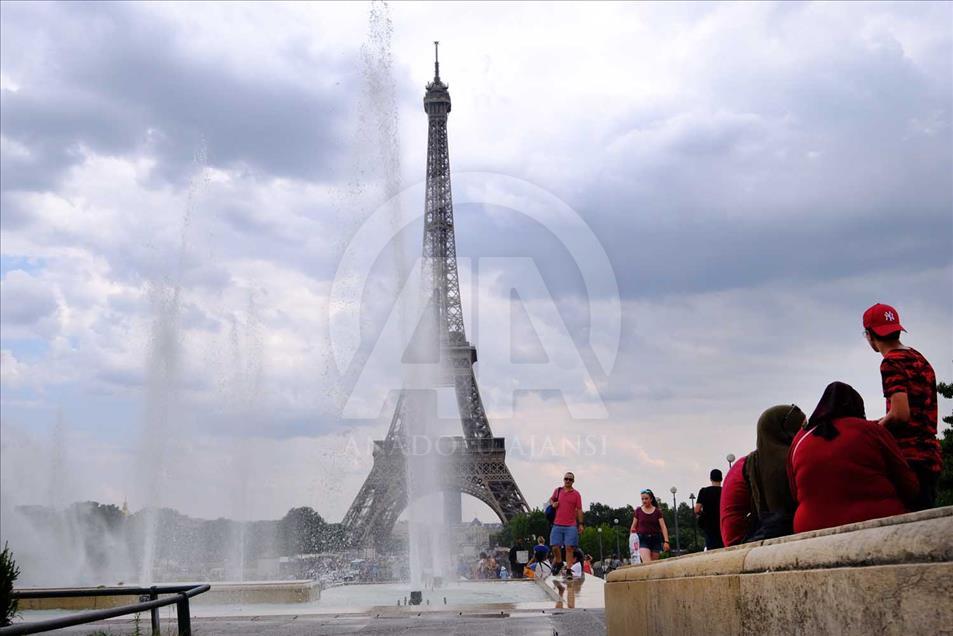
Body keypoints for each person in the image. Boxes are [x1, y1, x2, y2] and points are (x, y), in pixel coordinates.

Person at [788, 382, 920, 533]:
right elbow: (909, 485)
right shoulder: (871, 430)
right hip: (876, 521)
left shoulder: (800, 439)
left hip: (809, 526)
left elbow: (794, 492)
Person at [863, 303, 941, 509]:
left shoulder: (890, 363)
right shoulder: (919, 358)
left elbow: (899, 415)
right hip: (931, 456)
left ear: (870, 335)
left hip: (909, 458)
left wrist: (873, 430)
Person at [742, 404, 805, 540]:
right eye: (802, 427)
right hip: (796, 529)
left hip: (767, 531)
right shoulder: (794, 457)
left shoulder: (753, 462)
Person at [548, 471, 584, 580]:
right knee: (554, 546)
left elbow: (579, 509)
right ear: (564, 479)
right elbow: (551, 499)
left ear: (573, 481)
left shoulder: (576, 494)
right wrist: (553, 504)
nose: (568, 481)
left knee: (569, 548)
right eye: (566, 478)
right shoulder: (558, 491)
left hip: (571, 525)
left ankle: (568, 570)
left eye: (570, 479)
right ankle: (559, 561)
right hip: (557, 523)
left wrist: (581, 524)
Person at [720, 454, 752, 546]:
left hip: (727, 536)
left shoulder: (739, 466)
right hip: (739, 538)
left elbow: (697, 509)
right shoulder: (750, 464)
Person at [630, 489, 669, 562]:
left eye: (646, 498)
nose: (644, 501)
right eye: (642, 499)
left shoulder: (657, 512)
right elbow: (633, 527)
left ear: (651, 499)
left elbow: (663, 527)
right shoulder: (638, 511)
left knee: (653, 565)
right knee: (648, 563)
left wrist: (666, 541)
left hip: (655, 539)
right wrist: (632, 541)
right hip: (642, 539)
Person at [695, 469, 724, 550]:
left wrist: (702, 514)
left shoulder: (704, 491)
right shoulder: (724, 490)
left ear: (711, 478)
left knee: (712, 547)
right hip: (723, 522)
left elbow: (697, 509)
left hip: (709, 523)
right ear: (721, 478)